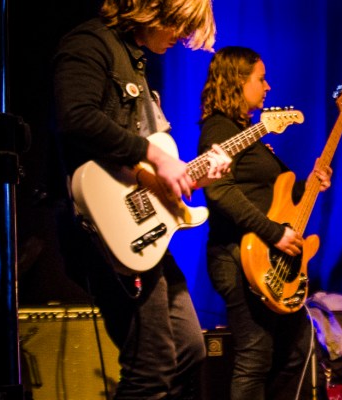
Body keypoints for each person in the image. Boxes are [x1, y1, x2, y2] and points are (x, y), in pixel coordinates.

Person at [52, 0, 230, 398]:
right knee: (150, 365)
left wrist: (192, 176)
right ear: (156, 10)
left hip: (140, 229)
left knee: (188, 349)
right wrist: (156, 157)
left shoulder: (137, 63)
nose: (182, 38)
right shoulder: (90, 43)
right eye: (179, 27)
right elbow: (76, 116)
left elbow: (139, 171)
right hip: (102, 228)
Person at [199, 46, 334, 399]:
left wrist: (310, 183)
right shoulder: (219, 128)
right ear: (237, 81)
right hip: (239, 256)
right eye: (260, 79)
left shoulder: (251, 135)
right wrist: (274, 234)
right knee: (254, 356)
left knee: (297, 351)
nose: (268, 86)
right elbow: (219, 192)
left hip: (269, 256)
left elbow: (272, 196)